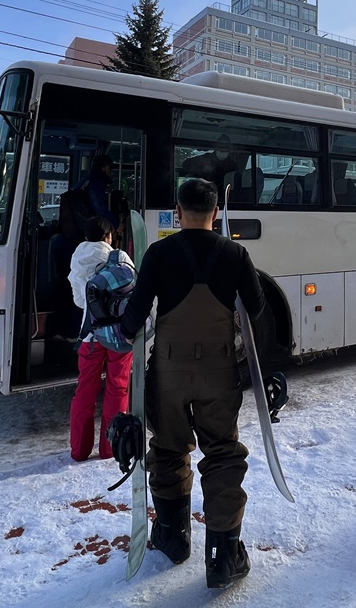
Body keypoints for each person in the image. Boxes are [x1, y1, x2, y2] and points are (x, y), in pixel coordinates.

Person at [119, 177, 265, 589]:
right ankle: (222, 558)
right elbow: (256, 309)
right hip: (219, 375)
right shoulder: (236, 254)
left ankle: (173, 536)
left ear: (178, 213)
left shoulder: (159, 254)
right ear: (216, 213)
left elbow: (133, 320)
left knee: (167, 449)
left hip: (166, 375)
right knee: (221, 455)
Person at [67, 216, 135, 462]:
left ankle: (79, 450)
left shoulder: (77, 258)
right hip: (118, 337)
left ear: (86, 236)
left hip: (90, 336)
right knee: (117, 387)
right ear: (109, 236)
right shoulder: (119, 257)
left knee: (84, 389)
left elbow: (78, 299)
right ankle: (110, 448)